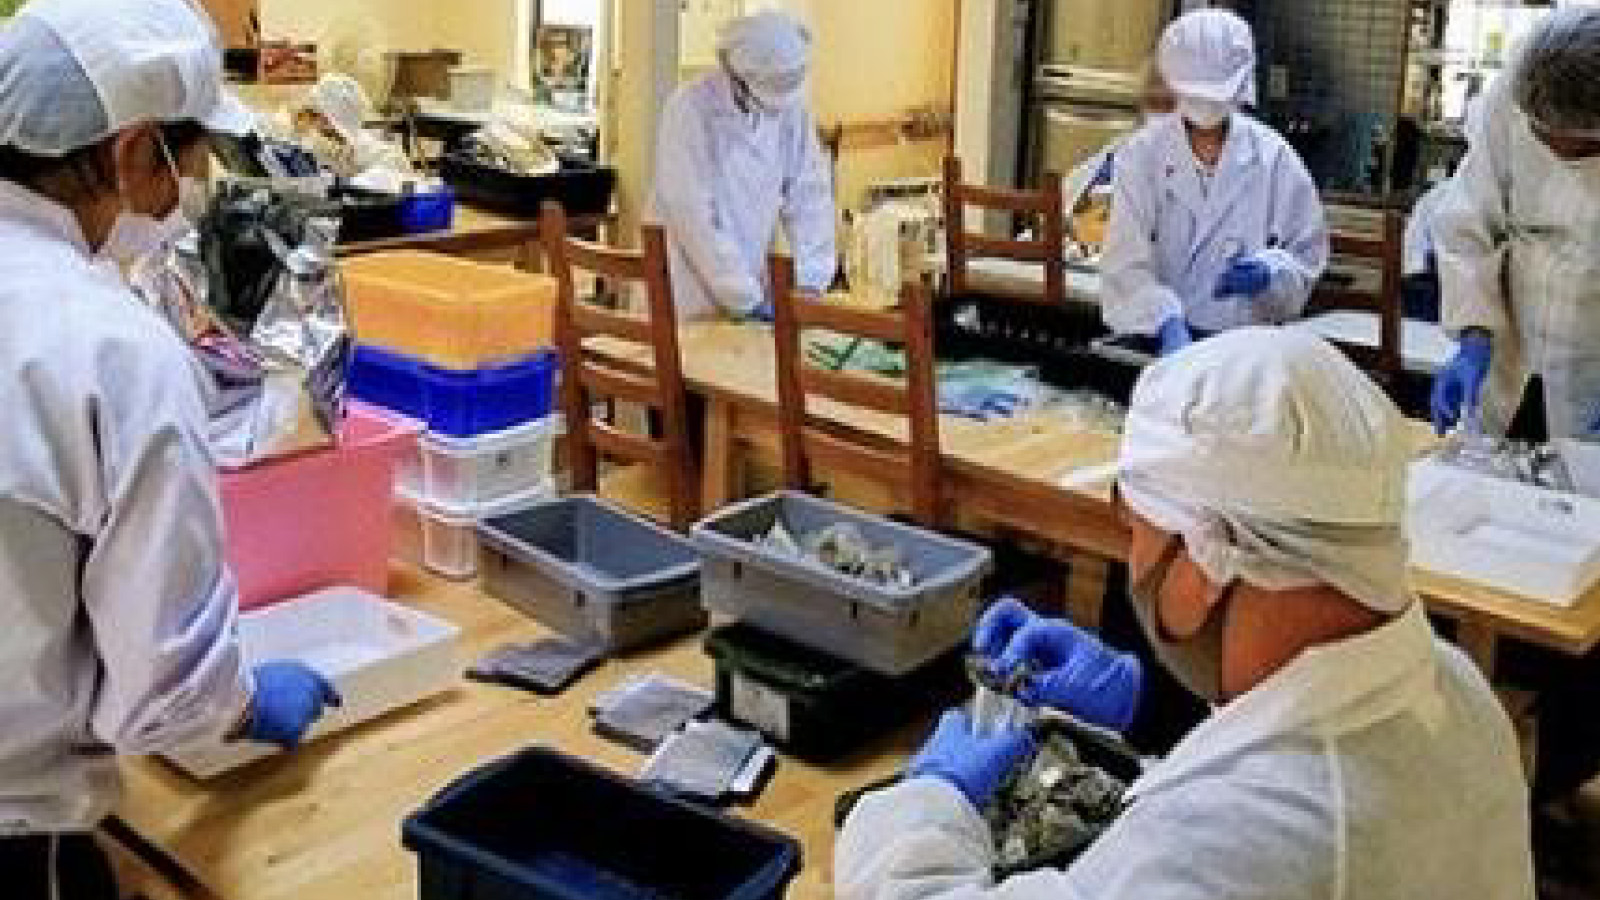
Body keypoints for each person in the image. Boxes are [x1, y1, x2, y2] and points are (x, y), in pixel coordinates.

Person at [836, 328, 1535, 900]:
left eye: (1137, 531)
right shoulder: (1460, 692)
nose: (1133, 561)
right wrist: (1147, 703)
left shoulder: (1227, 844)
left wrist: (928, 803)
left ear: (1205, 561)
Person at [0, 1, 342, 896]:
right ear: (130, 152)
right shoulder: (112, 349)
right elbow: (163, 692)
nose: (193, 192)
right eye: (190, 162)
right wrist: (241, 701)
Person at [1101, 10, 1328, 356]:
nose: (1205, 108)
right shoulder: (1141, 156)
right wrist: (1164, 321)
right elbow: (1125, 264)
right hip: (1160, 343)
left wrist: (1271, 273)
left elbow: (1307, 256)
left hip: (1244, 349)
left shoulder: (1274, 157)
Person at [1432, 7, 1600, 442]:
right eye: (1540, 134)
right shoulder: (1515, 91)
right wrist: (1473, 334)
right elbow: (1466, 222)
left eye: (1577, 146)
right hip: (1511, 350)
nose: (1551, 148)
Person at [651, 10, 837, 322]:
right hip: (688, 285)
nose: (772, 112)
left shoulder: (792, 109)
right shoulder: (689, 109)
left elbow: (810, 194)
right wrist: (743, 296)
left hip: (750, 276)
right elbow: (692, 215)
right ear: (733, 75)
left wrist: (810, 279)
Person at [281, 73, 415, 189]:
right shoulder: (326, 148)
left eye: (319, 115)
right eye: (315, 114)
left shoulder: (386, 157)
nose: (316, 124)